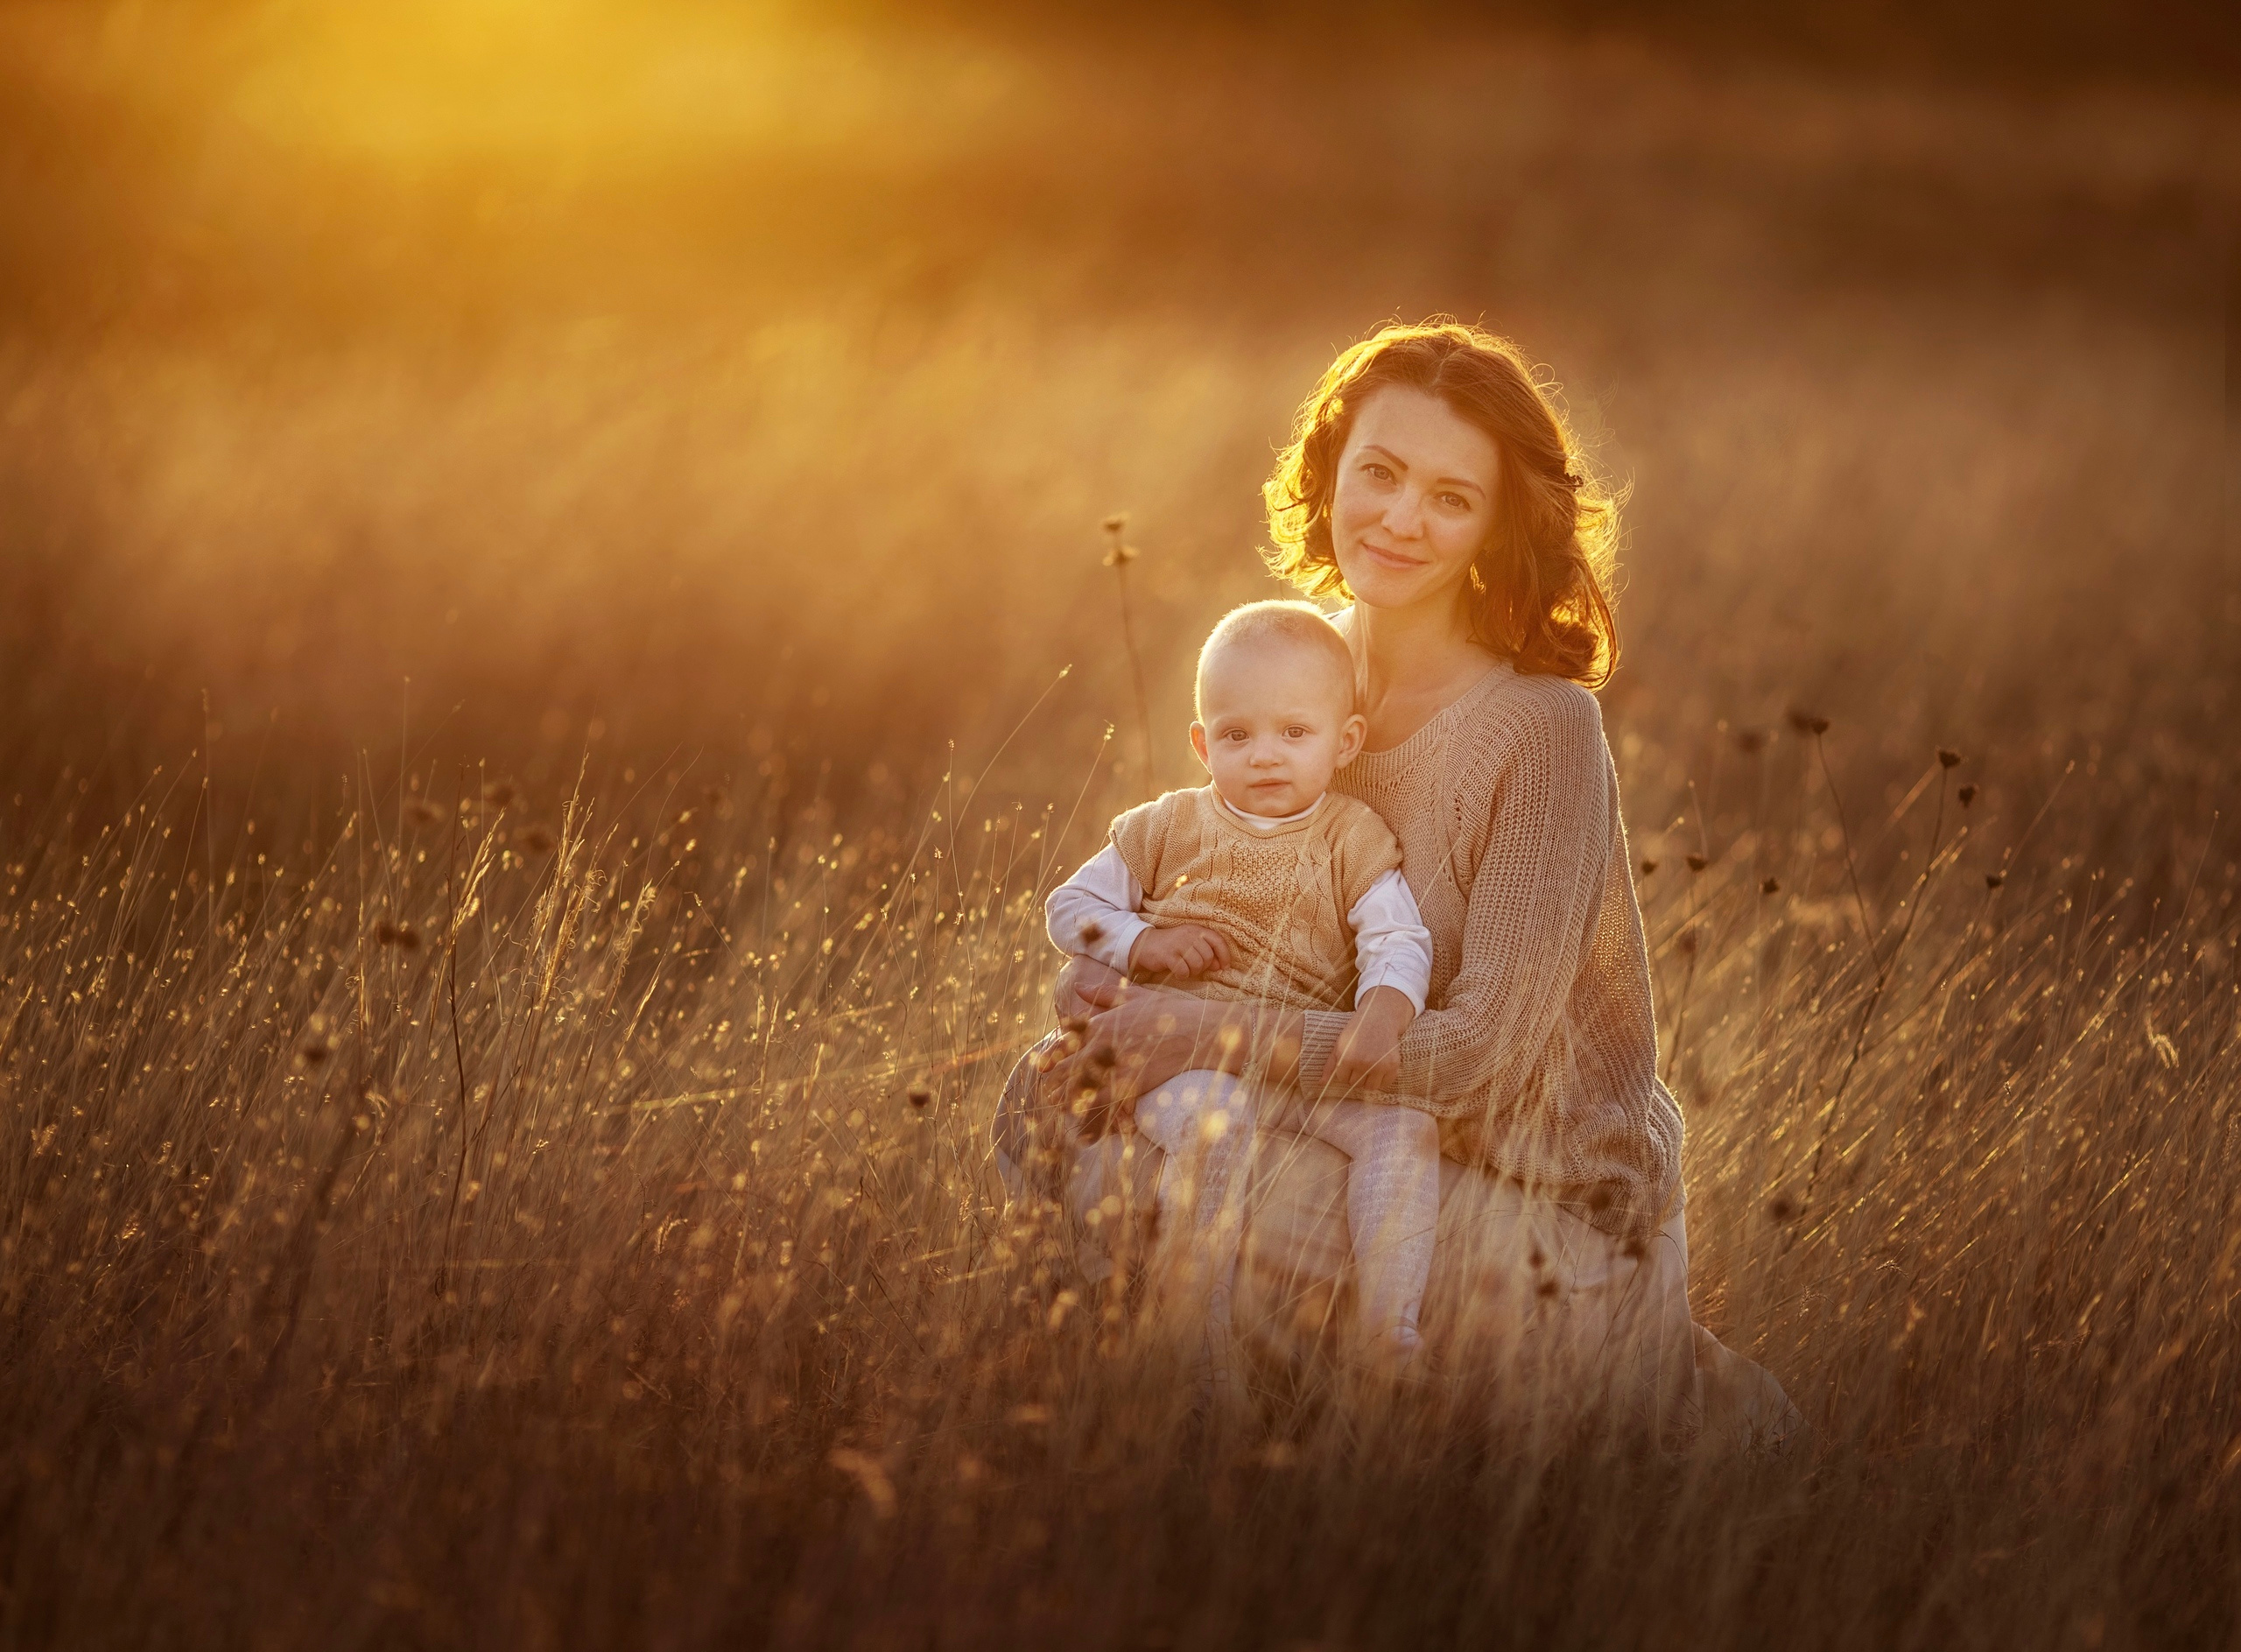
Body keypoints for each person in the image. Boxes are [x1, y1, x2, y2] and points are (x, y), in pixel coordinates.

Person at [994, 320, 1801, 1452]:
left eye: (1449, 496)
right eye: (1378, 471)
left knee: (1161, 1190)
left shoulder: (1543, 730)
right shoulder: (1291, 678)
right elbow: (1210, 906)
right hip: (1338, 1134)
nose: (1400, 517)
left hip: (1545, 1206)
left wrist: (1204, 1033)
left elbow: (1480, 1056)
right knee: (1053, 1114)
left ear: (1495, 525)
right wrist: (1114, 991)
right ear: (1330, 469)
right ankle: (1214, 1464)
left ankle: (1657, 1390)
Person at [1043, 600, 1439, 1375]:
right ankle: (1198, 1336)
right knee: (1216, 1123)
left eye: (1295, 733)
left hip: (1293, 1064)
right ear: (1202, 742)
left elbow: (1398, 939)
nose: (1265, 755)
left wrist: (1380, 1017)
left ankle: (1389, 1332)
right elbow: (1070, 908)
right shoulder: (1166, 827)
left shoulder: (1351, 837)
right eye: (1236, 734)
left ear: (1344, 740)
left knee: (1403, 1130)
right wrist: (1144, 940)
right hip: (1182, 1066)